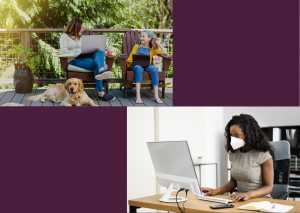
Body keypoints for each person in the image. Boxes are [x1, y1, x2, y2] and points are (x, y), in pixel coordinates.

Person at [201, 114, 274, 202]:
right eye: (231, 135)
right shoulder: (234, 154)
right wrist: (216, 190)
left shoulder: (263, 155)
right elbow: (233, 182)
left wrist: (248, 195)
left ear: (249, 135)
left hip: (261, 201)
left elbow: (268, 187)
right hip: (239, 200)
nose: (233, 139)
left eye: (237, 135)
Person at [60, 18, 115, 102]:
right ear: (76, 27)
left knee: (99, 51)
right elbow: (63, 50)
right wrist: (75, 54)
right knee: (97, 64)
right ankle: (100, 92)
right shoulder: (65, 36)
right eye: (81, 28)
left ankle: (101, 70)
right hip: (74, 60)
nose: (82, 29)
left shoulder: (82, 38)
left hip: (86, 58)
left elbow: (87, 48)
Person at [127, 30, 168, 104]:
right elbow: (129, 60)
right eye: (141, 36)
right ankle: (138, 96)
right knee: (139, 68)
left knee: (154, 68)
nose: (141, 38)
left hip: (147, 66)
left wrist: (158, 43)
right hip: (136, 66)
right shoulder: (137, 46)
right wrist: (133, 63)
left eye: (143, 36)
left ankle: (156, 96)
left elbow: (165, 53)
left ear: (149, 38)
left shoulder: (152, 49)